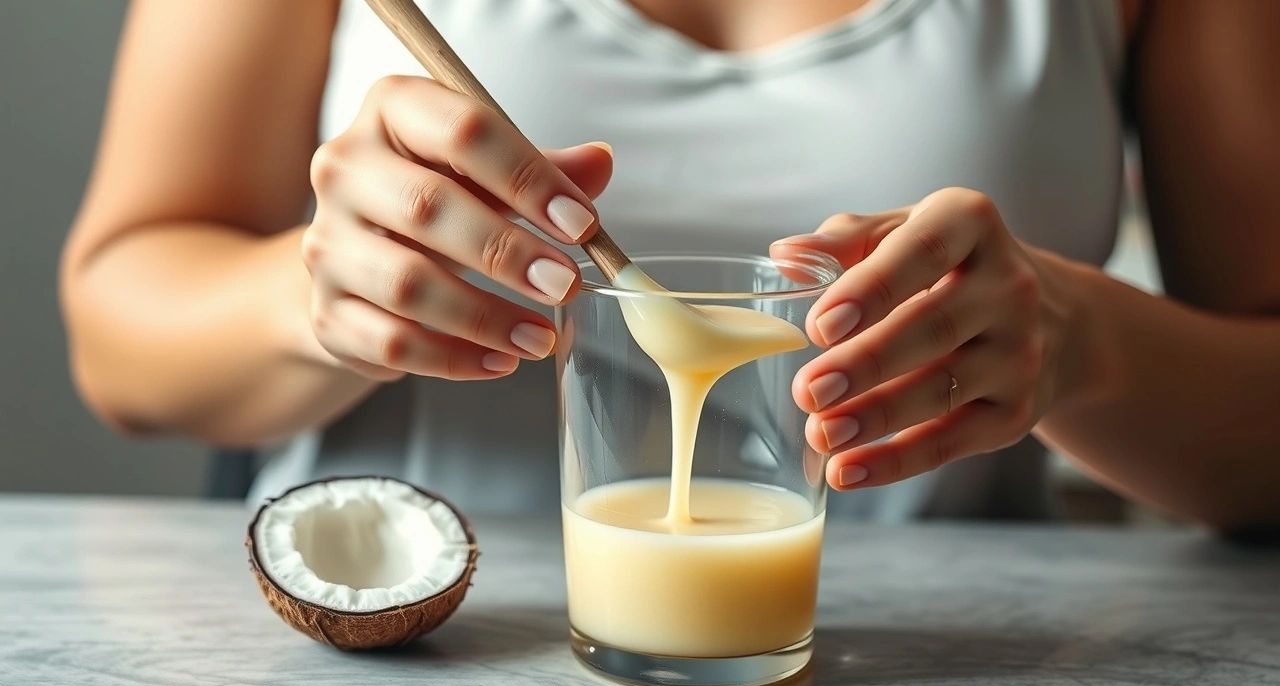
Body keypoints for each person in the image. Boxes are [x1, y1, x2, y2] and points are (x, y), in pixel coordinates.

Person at [60, 0, 1280, 528]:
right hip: (420, 653)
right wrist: (311, 295)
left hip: (937, 670)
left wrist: (1084, 343)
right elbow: (120, 343)